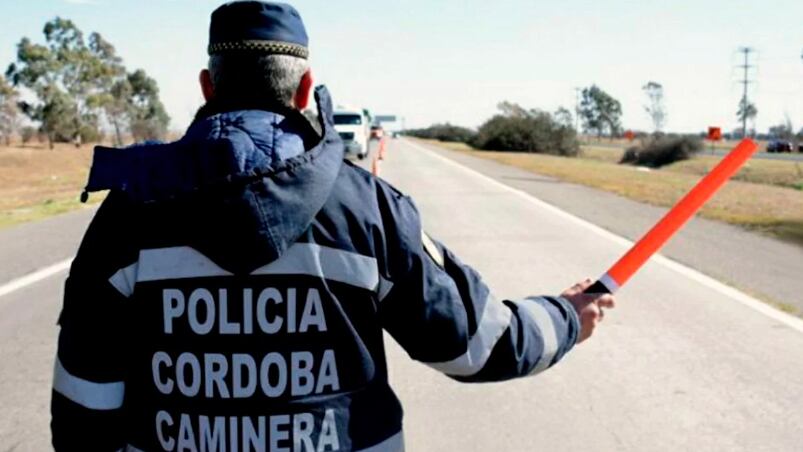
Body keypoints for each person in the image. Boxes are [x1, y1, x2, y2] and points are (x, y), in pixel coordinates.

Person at [50, 1, 615, 450]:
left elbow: (83, 409)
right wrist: (566, 316)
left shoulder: (129, 212)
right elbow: (479, 346)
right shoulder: (368, 208)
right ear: (304, 89)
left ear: (207, 86)